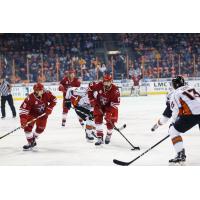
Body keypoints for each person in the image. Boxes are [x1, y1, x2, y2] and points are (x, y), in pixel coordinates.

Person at [152, 76, 200, 164]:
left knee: (173, 131)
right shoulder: (192, 88)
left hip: (192, 114)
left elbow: (175, 112)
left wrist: (173, 124)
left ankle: (180, 154)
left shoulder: (175, 94)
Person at [19, 83, 57, 150]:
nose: (43, 91)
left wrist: (50, 108)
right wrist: (23, 120)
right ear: (36, 91)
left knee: (40, 129)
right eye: (40, 90)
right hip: (32, 114)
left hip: (43, 114)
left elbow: (54, 100)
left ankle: (33, 138)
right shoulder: (29, 98)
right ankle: (31, 142)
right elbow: (23, 110)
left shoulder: (47, 93)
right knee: (27, 128)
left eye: (42, 89)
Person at [88, 74, 120, 146]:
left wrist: (108, 113)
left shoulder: (115, 90)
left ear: (111, 81)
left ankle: (108, 135)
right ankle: (100, 137)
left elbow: (116, 104)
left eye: (108, 82)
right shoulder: (98, 85)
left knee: (110, 122)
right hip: (99, 105)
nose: (107, 83)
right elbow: (90, 87)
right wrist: (91, 99)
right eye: (105, 81)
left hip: (110, 107)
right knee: (98, 120)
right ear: (103, 81)